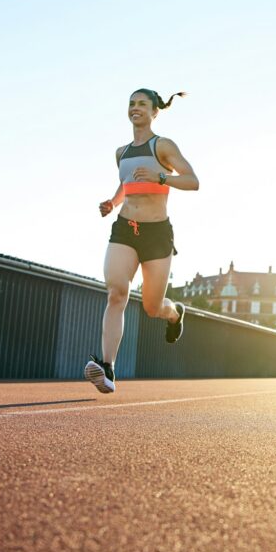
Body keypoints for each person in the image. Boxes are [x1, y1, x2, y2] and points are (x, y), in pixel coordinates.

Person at [84, 88, 200, 394]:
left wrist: (161, 177)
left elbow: (193, 181)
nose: (135, 108)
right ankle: (108, 368)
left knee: (152, 307)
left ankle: (174, 313)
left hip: (157, 234)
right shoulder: (120, 152)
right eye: (131, 104)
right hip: (125, 229)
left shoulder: (162, 146)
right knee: (116, 293)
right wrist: (112, 203)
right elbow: (127, 183)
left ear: (154, 112)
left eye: (142, 104)